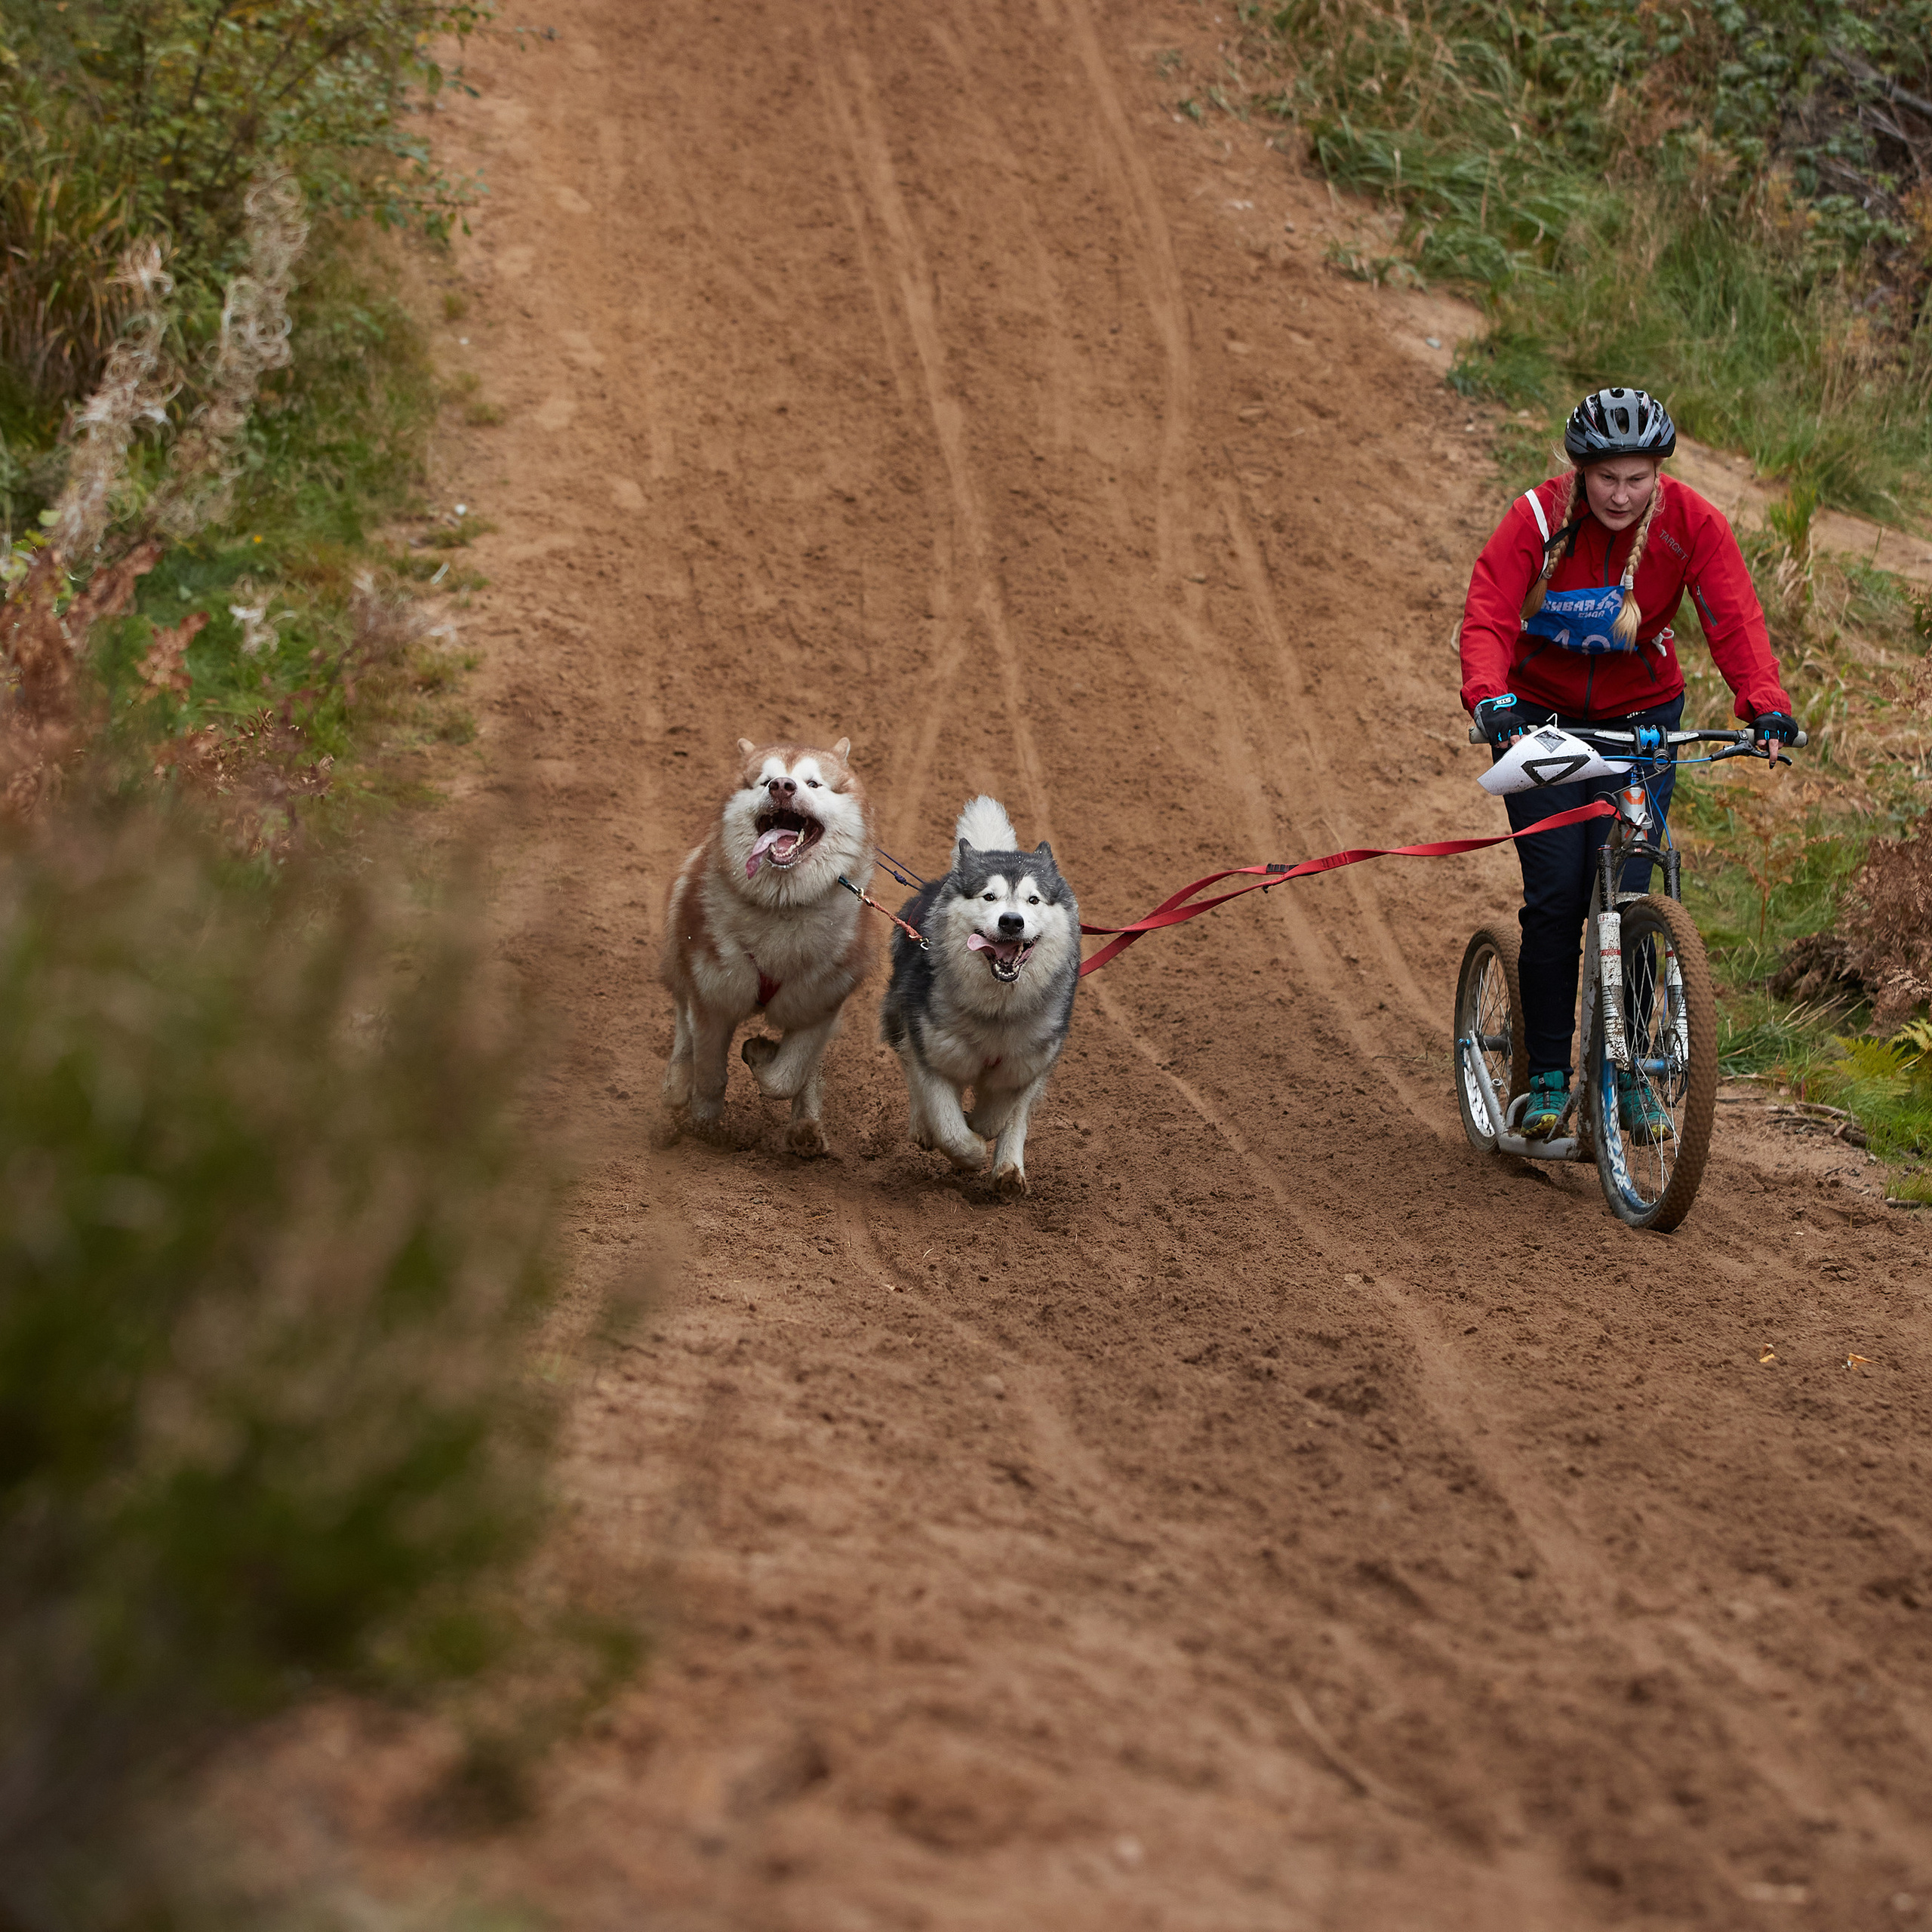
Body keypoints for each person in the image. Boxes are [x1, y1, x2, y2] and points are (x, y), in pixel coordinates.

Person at [1460, 386, 1798, 1137]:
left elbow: (1732, 616)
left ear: (1658, 471)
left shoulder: (1689, 524)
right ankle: (1547, 1078)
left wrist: (1763, 702)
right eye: (1606, 476)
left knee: (1630, 898)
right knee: (1557, 896)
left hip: (1642, 727)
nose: (1620, 494)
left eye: (1636, 477)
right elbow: (1488, 608)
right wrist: (1489, 697)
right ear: (1579, 469)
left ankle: (1634, 1074)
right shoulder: (1539, 519)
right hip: (1540, 727)